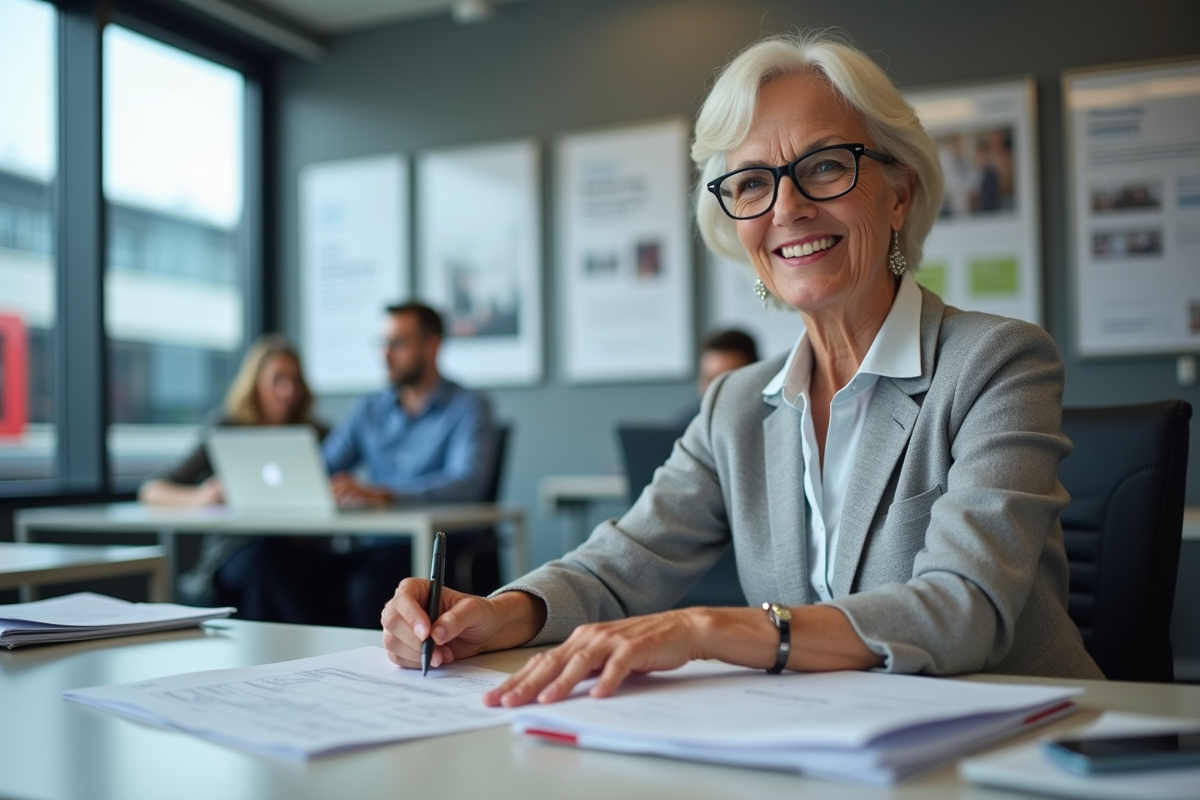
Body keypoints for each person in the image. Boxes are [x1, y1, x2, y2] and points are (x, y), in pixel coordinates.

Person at [381, 31, 1103, 704]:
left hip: (1012, 738)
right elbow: (620, 565)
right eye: (752, 183)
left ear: (899, 192)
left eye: (824, 165)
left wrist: (705, 630)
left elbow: (964, 608)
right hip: (828, 741)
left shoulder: (996, 362)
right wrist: (493, 614)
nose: (787, 206)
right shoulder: (735, 404)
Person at [228, 301, 498, 627]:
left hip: (435, 551)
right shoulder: (369, 409)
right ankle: (311, 668)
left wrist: (386, 494)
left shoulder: (469, 407)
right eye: (382, 343)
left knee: (370, 586)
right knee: (278, 567)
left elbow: (468, 483)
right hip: (375, 546)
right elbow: (319, 468)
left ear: (432, 344)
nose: (385, 354)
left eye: (397, 344)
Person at [138, 333, 326, 606]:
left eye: (295, 380)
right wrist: (201, 497)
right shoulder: (225, 428)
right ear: (255, 383)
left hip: (302, 546)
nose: (288, 391)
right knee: (267, 561)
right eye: (277, 380)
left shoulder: (316, 434)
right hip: (236, 551)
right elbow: (153, 489)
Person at [679, 328, 760, 422]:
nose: (715, 389)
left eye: (727, 380)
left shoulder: (770, 424)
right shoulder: (685, 424)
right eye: (709, 379)